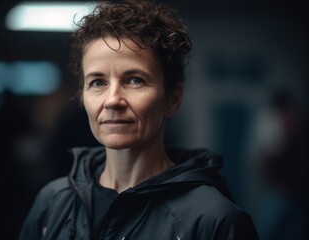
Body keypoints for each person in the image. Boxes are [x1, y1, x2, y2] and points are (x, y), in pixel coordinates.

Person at [19, 0, 259, 239]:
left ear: (172, 98)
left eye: (134, 80)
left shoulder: (213, 221)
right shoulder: (52, 202)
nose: (113, 100)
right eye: (98, 82)